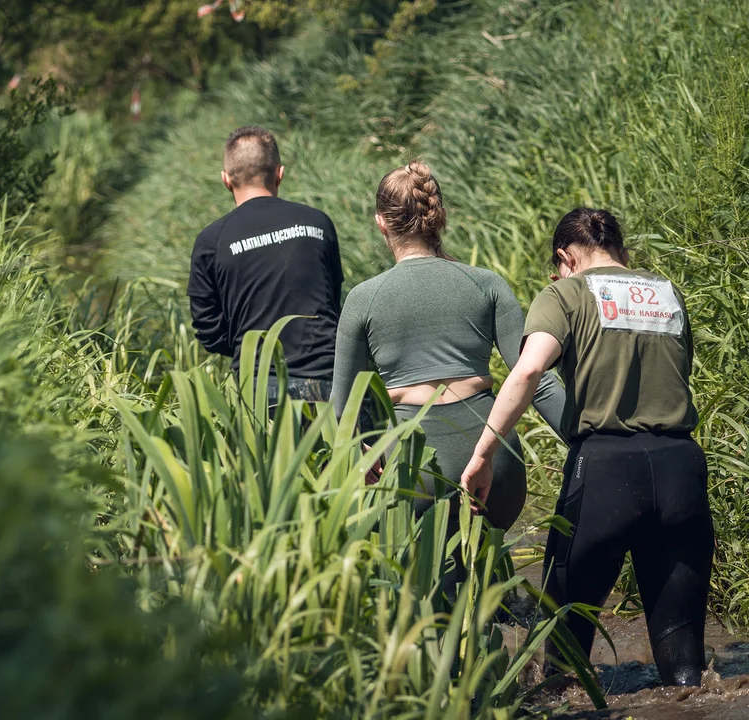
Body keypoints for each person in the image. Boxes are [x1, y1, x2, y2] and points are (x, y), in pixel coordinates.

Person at [461, 208, 713, 686]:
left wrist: (482, 455)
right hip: (682, 468)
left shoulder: (566, 292)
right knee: (685, 672)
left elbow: (530, 371)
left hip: (606, 473)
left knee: (560, 653)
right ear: (618, 247)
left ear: (565, 258)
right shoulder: (666, 293)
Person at [331, 161, 566, 525]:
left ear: (380, 222)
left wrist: (355, 455)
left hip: (413, 461)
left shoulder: (364, 298)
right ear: (438, 214)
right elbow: (537, 379)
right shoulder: (487, 284)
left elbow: (340, 407)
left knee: (422, 577)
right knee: (488, 574)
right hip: (493, 454)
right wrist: (588, 441)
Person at [188, 126, 343, 405]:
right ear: (279, 174)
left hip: (260, 388)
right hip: (331, 379)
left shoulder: (211, 241)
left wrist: (241, 343)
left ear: (226, 180)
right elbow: (333, 302)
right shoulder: (318, 223)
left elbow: (208, 330)